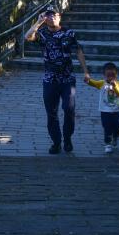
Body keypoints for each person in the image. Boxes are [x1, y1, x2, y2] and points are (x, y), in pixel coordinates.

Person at [25, 8, 89, 154]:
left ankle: (67, 138)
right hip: (50, 80)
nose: (52, 17)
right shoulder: (42, 34)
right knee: (51, 113)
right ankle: (56, 142)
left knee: (69, 109)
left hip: (67, 79)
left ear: (59, 17)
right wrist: (38, 22)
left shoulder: (69, 33)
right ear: (45, 18)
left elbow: (78, 51)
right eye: (48, 15)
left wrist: (85, 71)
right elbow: (27, 37)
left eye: (54, 15)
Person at [85, 62, 119, 153]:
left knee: (117, 127)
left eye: (113, 75)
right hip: (104, 111)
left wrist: (115, 87)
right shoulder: (102, 83)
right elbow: (93, 83)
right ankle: (108, 144)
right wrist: (87, 80)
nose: (110, 77)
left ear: (116, 75)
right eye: (108, 75)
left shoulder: (118, 84)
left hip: (115, 111)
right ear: (104, 75)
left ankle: (115, 136)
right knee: (107, 127)